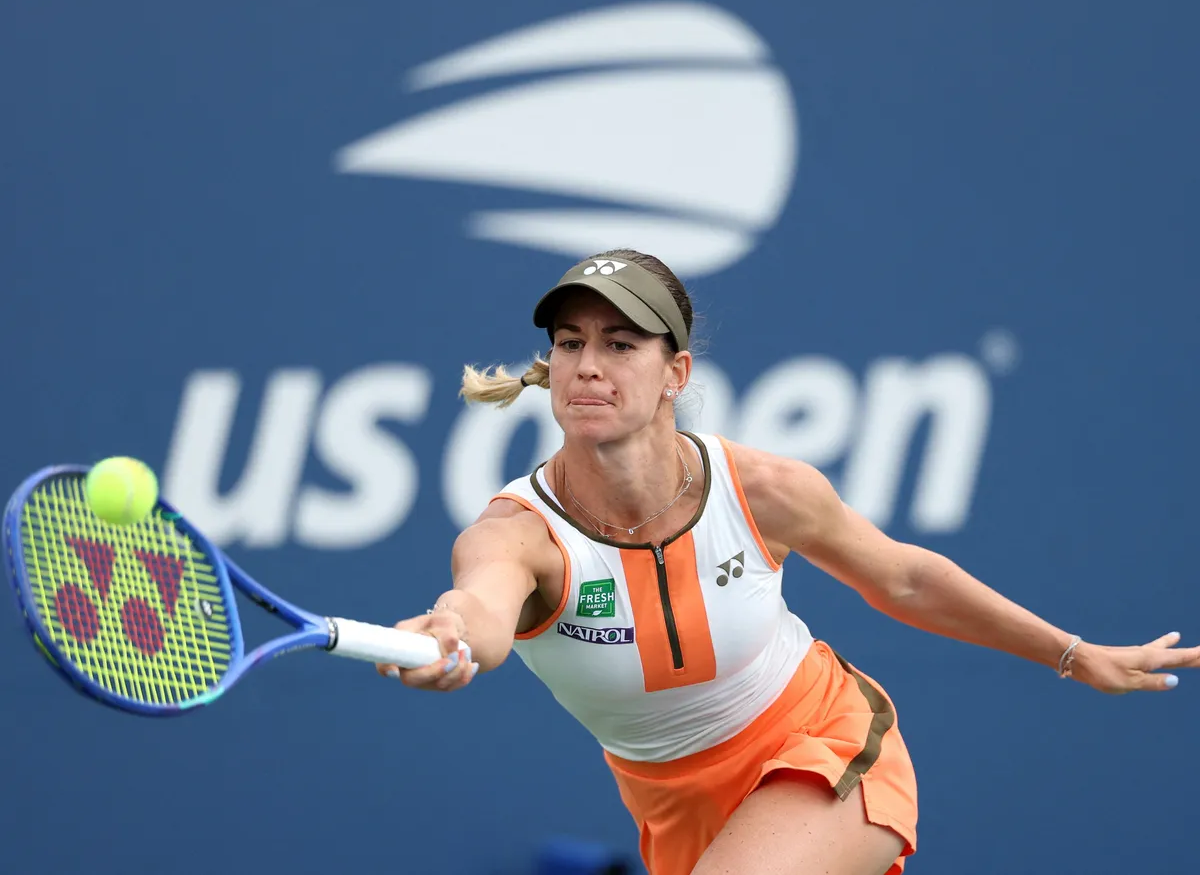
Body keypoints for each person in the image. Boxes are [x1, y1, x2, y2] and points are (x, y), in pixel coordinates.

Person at [376, 248, 1200, 875]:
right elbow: (478, 611)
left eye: (621, 343)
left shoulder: (764, 489)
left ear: (676, 374)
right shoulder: (516, 532)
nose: (588, 365)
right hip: (677, 811)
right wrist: (449, 635)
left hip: (824, 744)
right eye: (569, 342)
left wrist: (1071, 652)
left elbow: (904, 578)